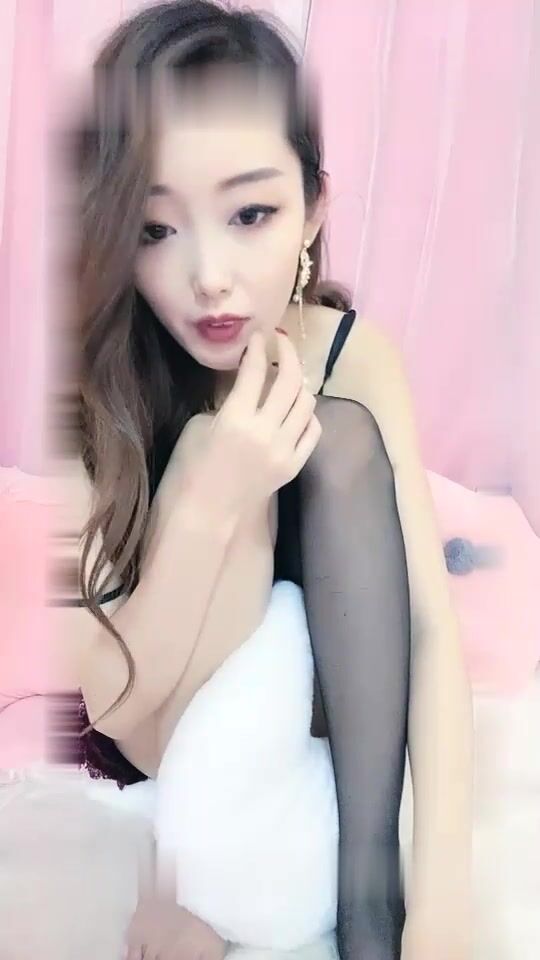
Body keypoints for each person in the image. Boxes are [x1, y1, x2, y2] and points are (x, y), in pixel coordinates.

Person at [51, 3, 473, 958]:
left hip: (326, 717)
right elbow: (117, 707)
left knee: (338, 437)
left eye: (251, 214)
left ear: (314, 209)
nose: (210, 277)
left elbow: (426, 626)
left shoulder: (351, 356)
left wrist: (444, 911)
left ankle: (371, 908)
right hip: (180, 737)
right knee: (220, 442)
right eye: (155, 228)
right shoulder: (104, 383)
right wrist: (214, 496)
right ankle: (203, 891)